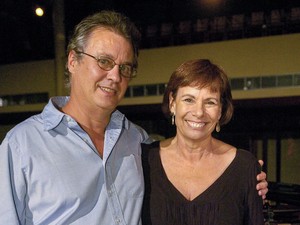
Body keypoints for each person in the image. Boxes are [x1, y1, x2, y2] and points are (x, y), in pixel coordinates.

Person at [0, 11, 267, 225]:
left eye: (124, 67)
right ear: (72, 60)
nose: (115, 76)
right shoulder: (22, 145)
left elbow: (186, 156)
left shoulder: (136, 143)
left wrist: (244, 176)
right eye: (103, 61)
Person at [142, 59, 265, 225]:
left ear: (220, 110)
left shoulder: (245, 167)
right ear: (172, 103)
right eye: (189, 100)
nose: (199, 112)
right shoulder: (144, 160)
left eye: (210, 102)